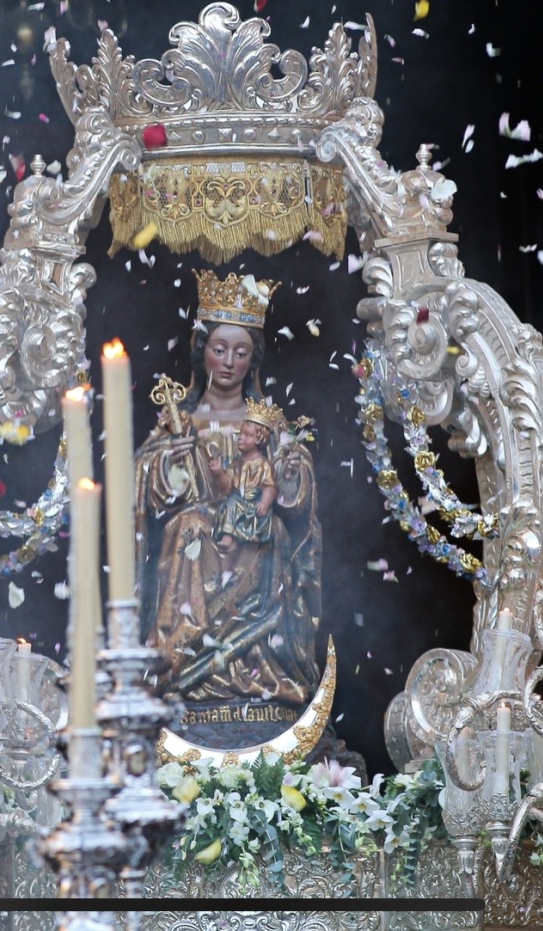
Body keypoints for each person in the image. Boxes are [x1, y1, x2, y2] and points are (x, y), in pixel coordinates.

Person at [132, 270, 322, 748]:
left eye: (241, 352)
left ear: (254, 357)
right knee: (190, 526)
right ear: (203, 351)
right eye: (220, 349)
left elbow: (294, 499)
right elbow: (143, 489)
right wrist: (167, 468)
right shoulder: (180, 421)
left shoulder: (268, 423)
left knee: (265, 530)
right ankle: (180, 659)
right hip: (199, 527)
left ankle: (255, 668)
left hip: (255, 528)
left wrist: (294, 473)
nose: (229, 361)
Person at [209, 410, 281, 557]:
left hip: (253, 504)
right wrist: (218, 473)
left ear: (259, 440)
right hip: (235, 500)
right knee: (229, 504)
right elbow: (227, 487)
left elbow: (270, 487)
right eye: (240, 434)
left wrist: (264, 503)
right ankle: (233, 540)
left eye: (247, 435)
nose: (240, 438)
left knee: (232, 504)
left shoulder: (264, 465)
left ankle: (229, 537)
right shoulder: (236, 463)